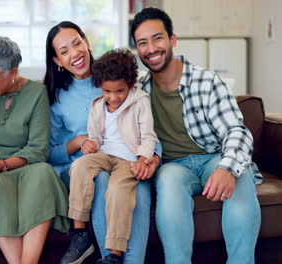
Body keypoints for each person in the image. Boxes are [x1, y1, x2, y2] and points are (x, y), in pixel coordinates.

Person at [131, 7, 261, 264]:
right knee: (167, 184)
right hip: (173, 167)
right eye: (142, 43)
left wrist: (226, 169)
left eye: (158, 38)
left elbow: (236, 130)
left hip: (214, 156)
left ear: (173, 39)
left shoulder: (207, 82)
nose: (151, 48)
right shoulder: (138, 91)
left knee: (240, 174)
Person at [44, 21, 161, 264]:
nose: (75, 53)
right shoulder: (56, 97)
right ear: (57, 60)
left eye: (77, 43)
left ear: (86, 41)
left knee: (136, 189)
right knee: (103, 180)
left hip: (129, 158)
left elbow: (146, 130)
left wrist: (151, 158)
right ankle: (92, 244)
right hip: (86, 166)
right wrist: (77, 142)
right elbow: (48, 152)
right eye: (64, 51)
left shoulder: (118, 77)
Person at [0, 36, 69, 264]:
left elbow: (38, 149)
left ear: (12, 73)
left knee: (44, 174)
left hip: (23, 165)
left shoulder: (36, 93)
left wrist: (3, 165)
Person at [68, 49, 158, 264]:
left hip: (128, 160)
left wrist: (143, 158)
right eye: (108, 91)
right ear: (100, 86)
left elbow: (148, 136)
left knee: (117, 191)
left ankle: (114, 255)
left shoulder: (141, 101)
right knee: (79, 165)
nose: (114, 97)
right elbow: (95, 136)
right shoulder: (98, 105)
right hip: (104, 155)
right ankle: (79, 230)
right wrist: (90, 143)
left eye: (120, 91)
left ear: (130, 85)